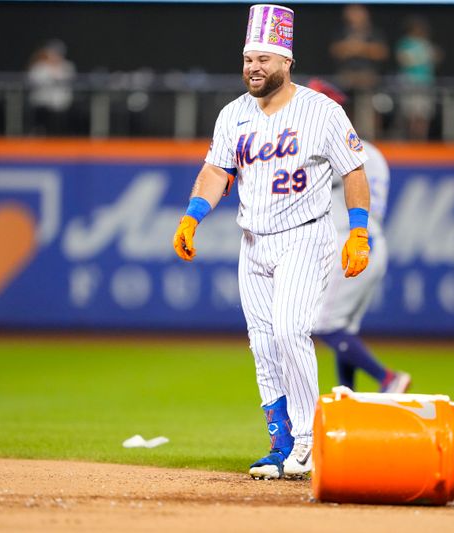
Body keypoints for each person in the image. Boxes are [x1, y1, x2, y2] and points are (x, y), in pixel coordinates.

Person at [173, 4, 372, 480]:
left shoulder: (321, 110)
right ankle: (280, 443)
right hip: (254, 241)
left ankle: (307, 440)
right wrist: (192, 215)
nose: (253, 67)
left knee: (288, 331)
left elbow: (354, 171)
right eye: (248, 59)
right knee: (263, 343)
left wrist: (360, 230)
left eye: (264, 58)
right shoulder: (232, 115)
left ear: (287, 61)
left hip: (305, 236)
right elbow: (217, 170)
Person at [308, 79, 411, 395]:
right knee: (343, 329)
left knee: (321, 324)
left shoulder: (333, 149)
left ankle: (387, 378)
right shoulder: (372, 151)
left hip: (347, 243)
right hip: (371, 241)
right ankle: (347, 397)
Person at [328, 4, 389, 139]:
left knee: (366, 107)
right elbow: (335, 50)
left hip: (367, 75)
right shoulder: (343, 32)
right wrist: (349, 47)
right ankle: (343, 137)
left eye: (357, 13)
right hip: (347, 75)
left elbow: (381, 52)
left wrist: (360, 48)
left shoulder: (372, 32)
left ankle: (367, 138)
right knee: (341, 105)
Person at [395, 16, 441, 141]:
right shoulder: (405, 43)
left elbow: (437, 56)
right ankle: (410, 139)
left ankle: (421, 140)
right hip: (410, 82)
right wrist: (423, 57)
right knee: (411, 114)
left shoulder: (426, 44)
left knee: (423, 114)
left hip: (425, 82)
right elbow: (404, 59)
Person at [28, 39, 76, 136]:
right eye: (52, 53)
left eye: (57, 53)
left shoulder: (67, 66)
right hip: (42, 105)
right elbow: (33, 81)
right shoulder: (39, 67)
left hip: (62, 107)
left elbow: (70, 82)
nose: (55, 56)